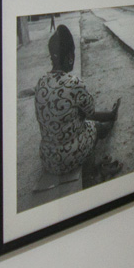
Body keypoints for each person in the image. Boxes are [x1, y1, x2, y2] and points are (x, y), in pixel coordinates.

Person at [34, 24, 121, 188]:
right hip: (66, 160)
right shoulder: (73, 83)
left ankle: (108, 121)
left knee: (79, 123)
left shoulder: (40, 83)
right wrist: (109, 114)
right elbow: (91, 113)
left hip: (47, 158)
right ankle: (110, 122)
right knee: (94, 127)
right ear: (70, 57)